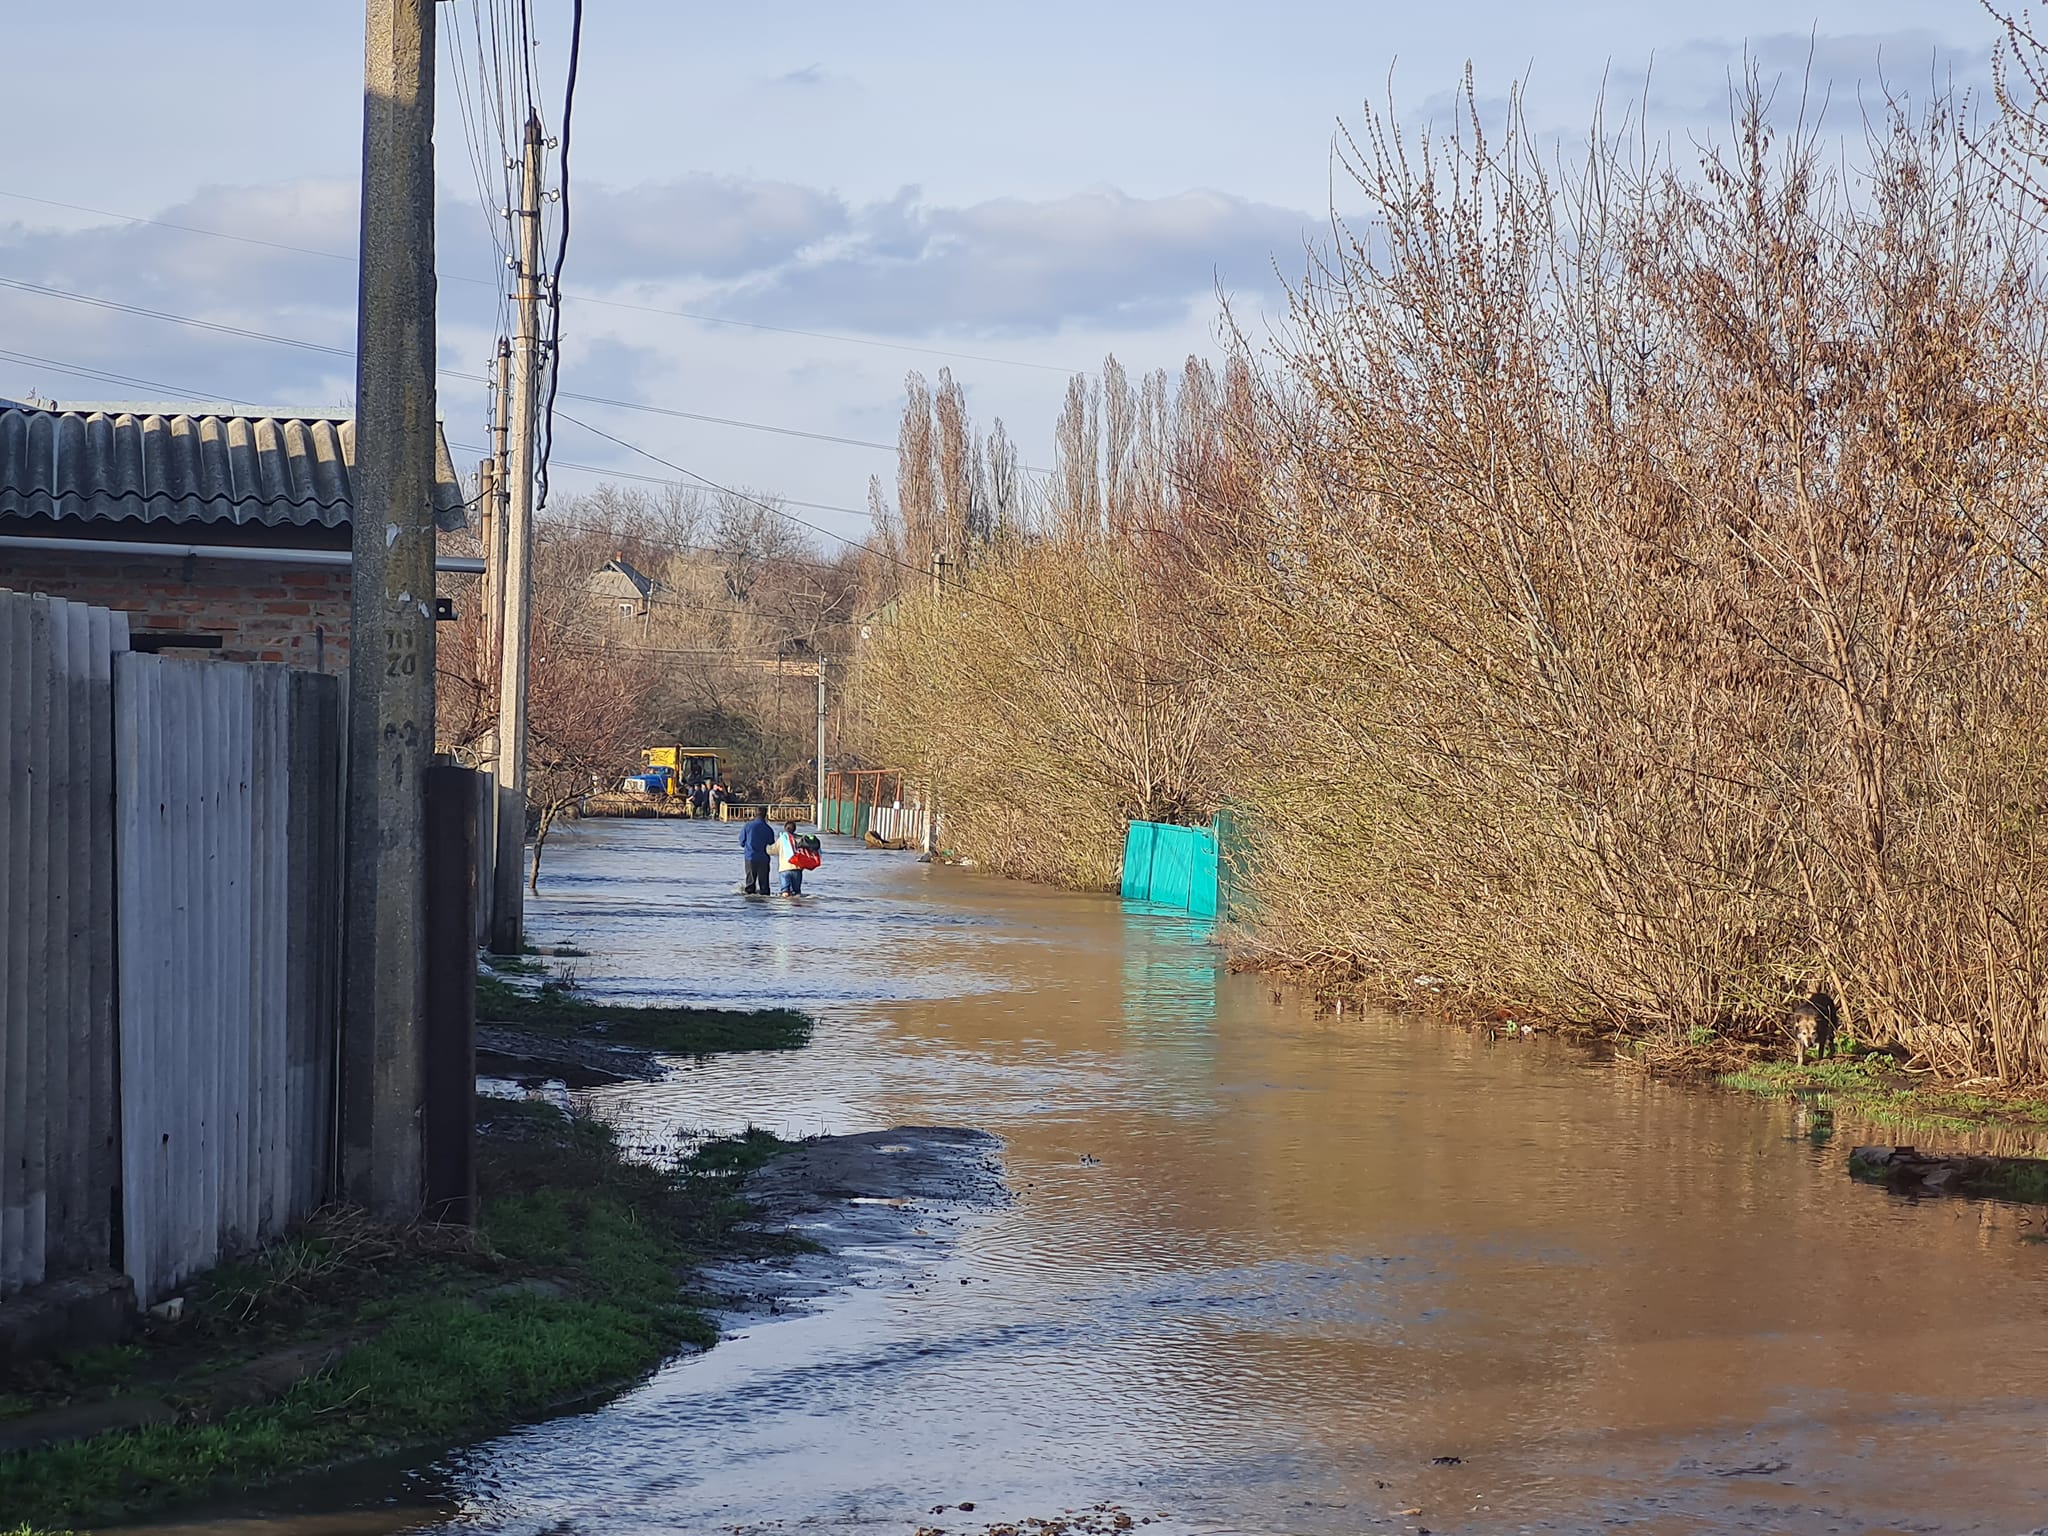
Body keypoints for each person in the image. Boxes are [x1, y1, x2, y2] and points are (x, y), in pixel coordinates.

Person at [739, 807, 776, 895]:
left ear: (755, 814)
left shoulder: (747, 826)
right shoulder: (768, 829)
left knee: (750, 884)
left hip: (750, 857)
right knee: (764, 885)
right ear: (765, 815)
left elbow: (742, 842)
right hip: (764, 858)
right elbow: (771, 844)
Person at [775, 819, 805, 897]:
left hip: (784, 869)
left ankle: (786, 907)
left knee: (785, 892)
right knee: (797, 893)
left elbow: (773, 850)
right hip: (797, 868)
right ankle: (796, 907)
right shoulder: (800, 839)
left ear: (785, 828)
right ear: (794, 829)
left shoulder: (781, 839)